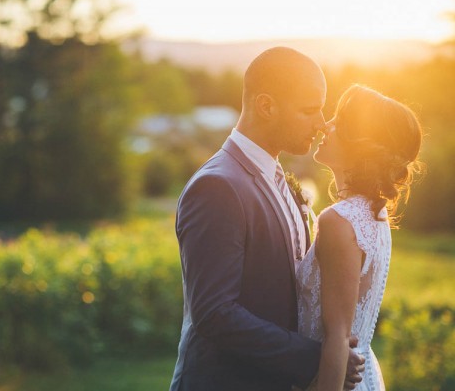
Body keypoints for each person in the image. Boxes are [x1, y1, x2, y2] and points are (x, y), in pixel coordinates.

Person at [169, 47, 364, 391]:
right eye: (310, 111)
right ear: (266, 106)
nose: (321, 124)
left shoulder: (277, 177)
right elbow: (215, 313)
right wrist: (315, 358)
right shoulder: (217, 186)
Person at [296, 84, 423, 390]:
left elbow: (337, 338)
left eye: (338, 121)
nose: (326, 125)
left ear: (360, 144)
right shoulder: (374, 216)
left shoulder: (340, 221)